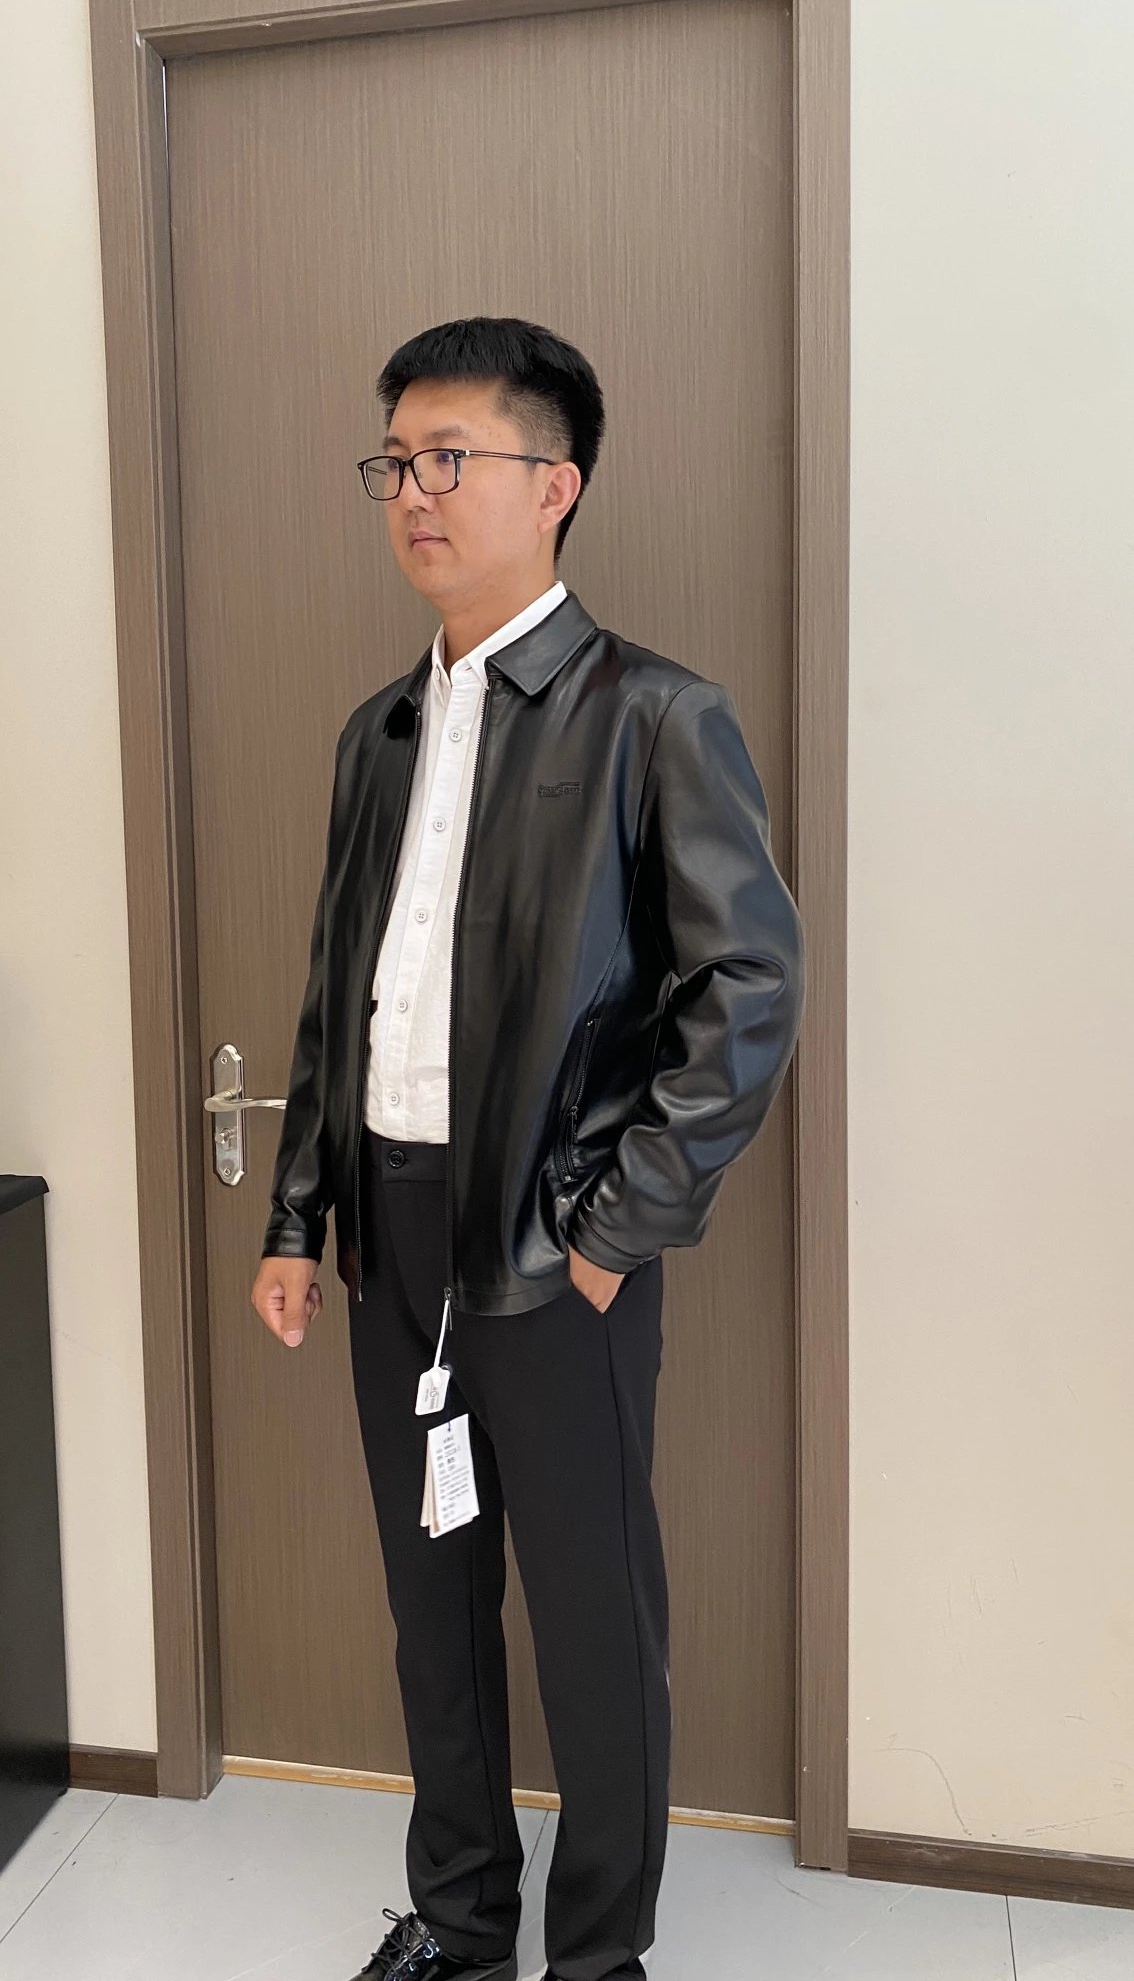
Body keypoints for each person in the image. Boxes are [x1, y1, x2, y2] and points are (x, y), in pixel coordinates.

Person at [251, 316, 805, 1981]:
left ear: (552, 485)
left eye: (450, 458)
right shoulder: (378, 733)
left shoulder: (656, 717)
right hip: (391, 1230)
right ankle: (461, 1921)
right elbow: (339, 995)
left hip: (557, 1243)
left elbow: (748, 986)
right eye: (395, 464)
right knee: (432, 1611)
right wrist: (297, 1217)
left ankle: (598, 1955)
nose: (413, 493)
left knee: (589, 1619)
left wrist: (617, 1227)